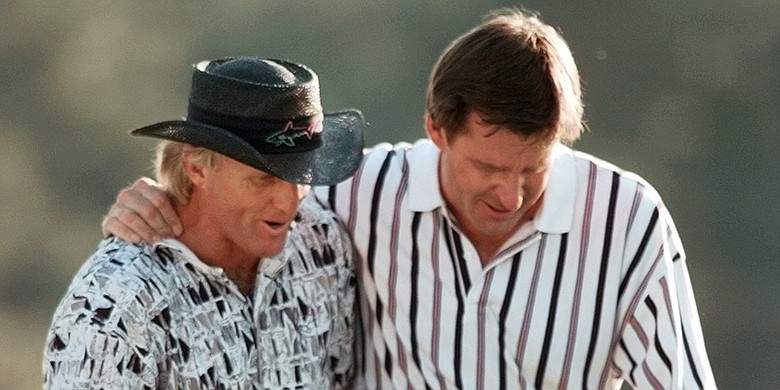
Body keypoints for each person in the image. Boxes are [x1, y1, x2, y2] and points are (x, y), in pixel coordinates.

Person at [100, 8, 718, 389]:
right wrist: (158, 203)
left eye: (534, 167)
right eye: (486, 166)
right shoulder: (360, 192)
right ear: (436, 128)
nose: (512, 192)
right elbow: (245, 208)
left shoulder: (627, 218)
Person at [43, 57, 364, 388]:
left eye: (302, 175)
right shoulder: (115, 304)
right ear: (197, 168)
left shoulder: (323, 245)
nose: (289, 202)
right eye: (263, 179)